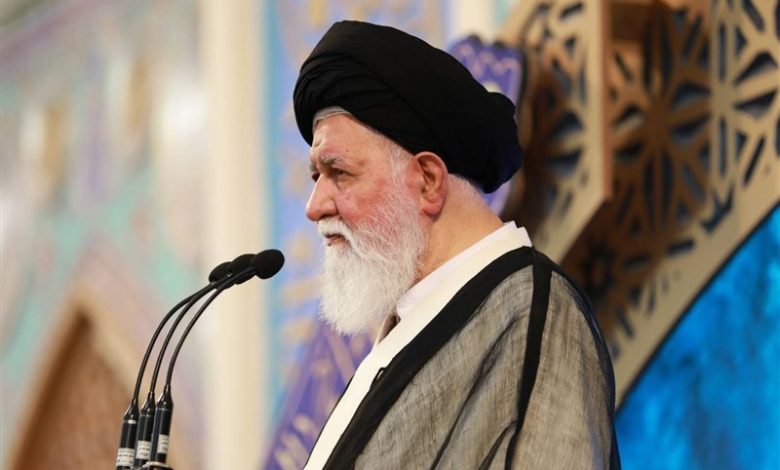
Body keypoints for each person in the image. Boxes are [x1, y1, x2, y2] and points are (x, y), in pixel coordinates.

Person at [293, 20, 620, 469]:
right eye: (317, 176)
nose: (314, 207)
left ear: (428, 181)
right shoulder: (408, 327)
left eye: (339, 172)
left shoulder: (535, 314)